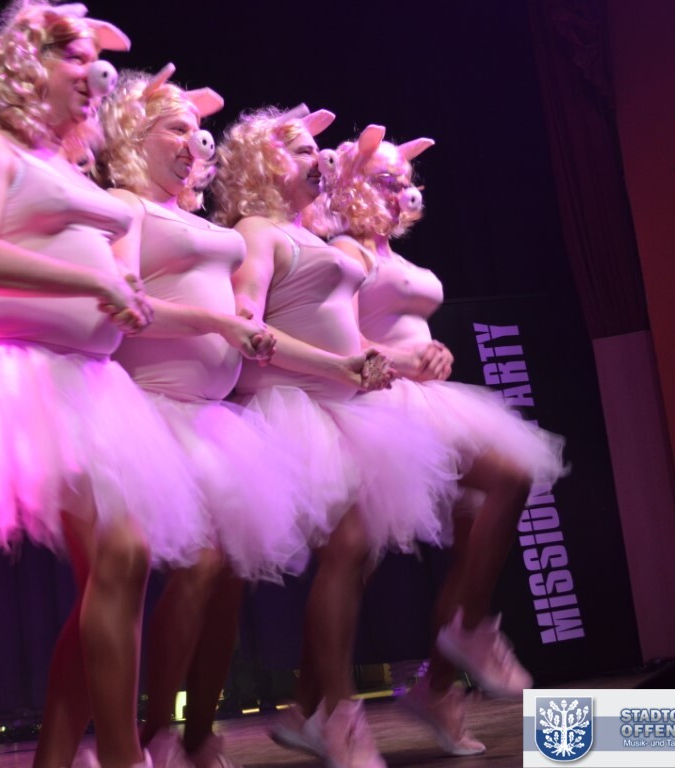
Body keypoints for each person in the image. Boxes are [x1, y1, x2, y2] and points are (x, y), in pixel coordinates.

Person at [0, 5, 208, 768]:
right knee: (122, 556)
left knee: (118, 569)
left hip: (94, 383)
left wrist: (134, 297)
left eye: (95, 61)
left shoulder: (73, 170)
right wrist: (90, 282)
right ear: (28, 64)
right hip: (28, 378)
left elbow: (105, 268)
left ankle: (58, 758)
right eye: (73, 55)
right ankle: (125, 757)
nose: (91, 73)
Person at [213, 106, 455, 768]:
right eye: (299, 149)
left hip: (345, 404)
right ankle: (339, 716)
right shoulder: (256, 231)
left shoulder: (317, 235)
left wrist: (394, 360)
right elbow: (250, 328)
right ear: (264, 163)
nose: (316, 157)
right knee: (347, 545)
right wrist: (338, 367)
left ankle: (315, 709)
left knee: (359, 552)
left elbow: (349, 329)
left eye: (316, 149)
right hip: (294, 408)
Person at [314, 125, 567, 755]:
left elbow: (406, 326)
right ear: (353, 185)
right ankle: (324, 703)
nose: (400, 191)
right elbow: (336, 336)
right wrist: (404, 359)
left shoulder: (393, 256)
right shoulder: (346, 251)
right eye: (385, 179)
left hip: (428, 401)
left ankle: (441, 681)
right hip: (376, 404)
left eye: (404, 181)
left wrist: (434, 353)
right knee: (355, 557)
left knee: (483, 515)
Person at [95, 65, 309, 768]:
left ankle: (198, 732)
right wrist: (219, 322)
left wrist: (244, 318)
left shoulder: (198, 218)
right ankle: (158, 729)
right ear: (137, 135)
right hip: (153, 413)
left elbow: (231, 293)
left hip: (214, 420)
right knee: (201, 563)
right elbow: (126, 304)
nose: (195, 141)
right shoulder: (125, 206)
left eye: (198, 130)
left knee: (230, 574)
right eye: (177, 128)